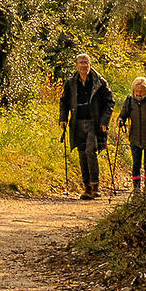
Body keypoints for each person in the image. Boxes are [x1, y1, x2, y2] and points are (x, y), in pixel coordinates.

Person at [58, 51, 113, 200]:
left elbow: (109, 102)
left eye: (86, 62)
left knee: (90, 151)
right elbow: (64, 101)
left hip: (93, 123)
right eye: (81, 63)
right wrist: (63, 118)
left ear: (90, 64)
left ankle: (95, 186)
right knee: (82, 153)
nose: (83, 65)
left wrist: (104, 121)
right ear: (76, 65)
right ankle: (87, 187)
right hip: (77, 123)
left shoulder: (99, 82)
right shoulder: (70, 83)